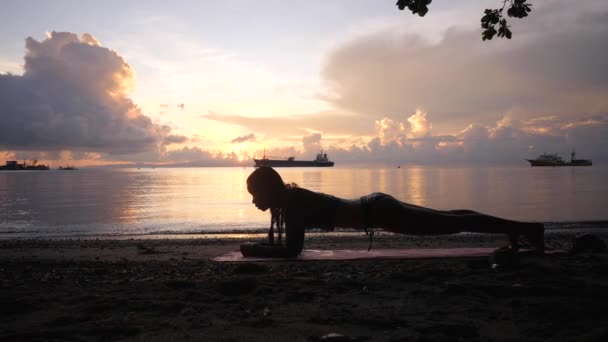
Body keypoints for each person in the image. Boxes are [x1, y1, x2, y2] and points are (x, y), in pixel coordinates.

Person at [241, 166, 544, 258]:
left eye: (255, 194)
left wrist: (253, 249)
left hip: (381, 213)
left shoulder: (293, 203)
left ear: (269, 189)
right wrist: (258, 247)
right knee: (452, 216)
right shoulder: (291, 199)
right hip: (377, 206)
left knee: (451, 223)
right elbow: (289, 245)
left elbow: (293, 250)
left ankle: (527, 230)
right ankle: (522, 230)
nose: (254, 201)